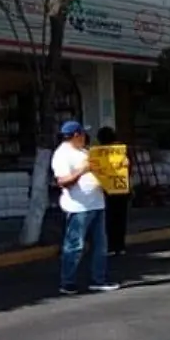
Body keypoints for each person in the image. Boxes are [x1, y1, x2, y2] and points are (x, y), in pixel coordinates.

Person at [50, 120, 119, 295]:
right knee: (75, 245)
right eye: (82, 134)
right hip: (78, 206)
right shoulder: (62, 155)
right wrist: (82, 170)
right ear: (75, 135)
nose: (85, 137)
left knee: (100, 245)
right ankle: (68, 282)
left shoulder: (85, 151)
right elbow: (62, 181)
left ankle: (98, 279)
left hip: (96, 203)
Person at [96, 125, 131, 256]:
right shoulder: (120, 151)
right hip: (120, 189)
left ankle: (112, 245)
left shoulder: (100, 153)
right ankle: (119, 245)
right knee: (120, 218)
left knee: (109, 218)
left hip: (107, 190)